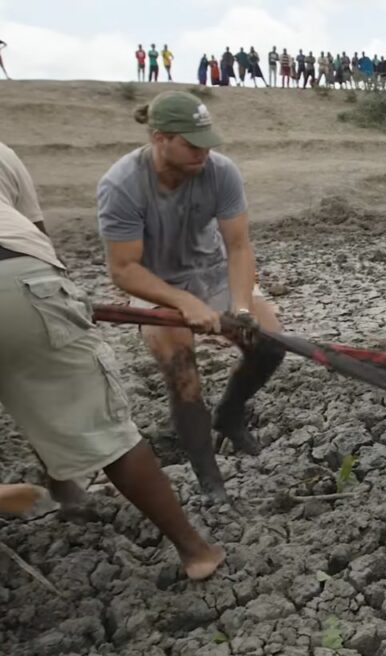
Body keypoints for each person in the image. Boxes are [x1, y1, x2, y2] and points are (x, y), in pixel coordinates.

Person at [0, 140, 225, 579]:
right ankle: (196, 551)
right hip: (16, 278)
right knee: (97, 421)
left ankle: (63, 490)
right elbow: (37, 236)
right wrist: (58, 298)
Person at [96, 91, 285, 501]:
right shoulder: (122, 185)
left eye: (208, 141)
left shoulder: (221, 172)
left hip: (211, 272)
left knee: (269, 343)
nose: (205, 151)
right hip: (156, 284)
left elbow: (238, 246)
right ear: (160, 138)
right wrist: (183, 303)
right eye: (192, 143)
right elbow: (124, 270)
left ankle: (230, 416)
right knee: (183, 377)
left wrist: (238, 307)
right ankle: (210, 480)